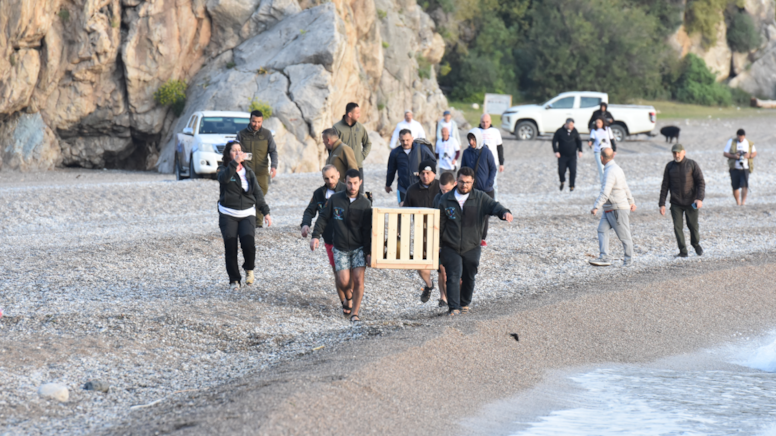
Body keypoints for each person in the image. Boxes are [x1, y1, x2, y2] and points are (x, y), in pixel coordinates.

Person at [437, 167, 513, 315]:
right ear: (456, 182)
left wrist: (504, 212)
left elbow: (494, 206)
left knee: (469, 276)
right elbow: (439, 224)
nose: (464, 185)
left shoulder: (480, 197)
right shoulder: (446, 199)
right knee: (453, 275)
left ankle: (464, 303)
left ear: (472, 182)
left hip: (472, 245)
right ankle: (453, 307)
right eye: (461, 182)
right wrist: (438, 245)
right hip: (450, 246)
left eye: (467, 182)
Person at [311, 169, 372, 323]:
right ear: (345, 181)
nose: (352, 186)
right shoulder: (335, 199)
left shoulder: (365, 203)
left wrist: (369, 252)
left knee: (358, 280)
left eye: (355, 183)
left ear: (360, 183)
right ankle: (349, 296)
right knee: (343, 281)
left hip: (358, 248)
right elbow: (323, 217)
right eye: (350, 183)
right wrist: (315, 236)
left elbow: (368, 230)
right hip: (340, 247)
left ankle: (355, 313)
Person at [217, 141, 272, 290]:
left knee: (248, 244)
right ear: (228, 154)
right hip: (228, 213)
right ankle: (234, 280)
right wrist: (234, 163)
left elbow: (257, 192)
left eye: (239, 150)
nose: (237, 153)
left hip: (247, 212)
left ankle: (249, 268)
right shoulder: (223, 169)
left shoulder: (248, 171)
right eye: (234, 151)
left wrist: (265, 212)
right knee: (231, 247)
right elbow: (224, 179)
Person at [301, 165, 351, 314]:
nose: (330, 181)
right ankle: (344, 302)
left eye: (332, 177)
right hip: (330, 239)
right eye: (326, 178)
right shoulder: (319, 194)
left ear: (338, 174)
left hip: (348, 238)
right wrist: (305, 224)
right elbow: (310, 211)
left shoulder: (348, 189)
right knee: (337, 272)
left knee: (349, 273)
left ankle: (350, 299)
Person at [589, 148, 636, 267]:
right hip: (609, 208)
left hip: (617, 208)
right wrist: (631, 201)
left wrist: (596, 206)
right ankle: (604, 258)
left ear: (601, 158)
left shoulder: (610, 172)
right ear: (613, 156)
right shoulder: (617, 169)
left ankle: (628, 261)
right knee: (601, 230)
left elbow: (605, 192)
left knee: (624, 236)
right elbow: (625, 187)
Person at [403, 160, 441, 303]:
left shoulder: (440, 187)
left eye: (428, 173)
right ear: (418, 174)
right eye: (422, 173)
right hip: (421, 233)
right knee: (420, 265)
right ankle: (429, 285)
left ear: (434, 174)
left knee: (442, 268)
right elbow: (405, 212)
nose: (425, 176)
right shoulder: (412, 190)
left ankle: (444, 299)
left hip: (441, 232)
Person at [659, 144, 705, 258]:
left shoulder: (692, 164)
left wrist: (699, 198)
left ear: (684, 152)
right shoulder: (669, 166)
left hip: (691, 202)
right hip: (676, 203)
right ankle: (683, 251)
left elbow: (701, 182)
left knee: (693, 226)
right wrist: (662, 204)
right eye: (674, 153)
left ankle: (695, 244)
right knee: (677, 227)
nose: (676, 155)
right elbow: (665, 186)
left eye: (678, 152)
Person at [236, 110, 278, 228]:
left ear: (262, 121)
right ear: (250, 120)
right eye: (254, 121)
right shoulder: (242, 134)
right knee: (246, 195)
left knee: (260, 195)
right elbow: (235, 151)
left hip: (262, 172)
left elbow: (273, 151)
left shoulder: (267, 134)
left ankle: (258, 223)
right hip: (246, 172)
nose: (256, 124)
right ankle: (247, 221)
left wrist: (274, 166)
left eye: (259, 122)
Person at [461, 128, 497, 246]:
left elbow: (493, 168)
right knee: (470, 213)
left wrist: (489, 182)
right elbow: (462, 170)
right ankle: (471, 236)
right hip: (471, 189)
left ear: (479, 139)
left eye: (473, 139)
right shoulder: (466, 153)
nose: (471, 142)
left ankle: (482, 238)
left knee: (484, 215)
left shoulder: (486, 152)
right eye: (470, 139)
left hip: (486, 190)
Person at [385, 129, 436, 204]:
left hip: (419, 186)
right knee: (403, 210)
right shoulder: (395, 153)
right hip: (402, 187)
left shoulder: (422, 149)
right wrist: (388, 184)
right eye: (402, 140)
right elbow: (391, 170)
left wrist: (423, 171)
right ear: (399, 140)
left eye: (407, 140)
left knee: (419, 211)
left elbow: (433, 162)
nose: (405, 143)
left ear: (412, 138)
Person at [333, 103, 371, 193]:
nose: (359, 115)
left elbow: (368, 143)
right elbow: (332, 148)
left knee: (359, 194)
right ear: (350, 114)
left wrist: (361, 157)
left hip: (357, 167)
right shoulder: (336, 128)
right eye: (357, 113)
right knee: (341, 194)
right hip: (342, 168)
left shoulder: (360, 128)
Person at [432, 171, 456, 308]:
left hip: (455, 240)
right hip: (440, 240)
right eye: (442, 190)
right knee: (442, 271)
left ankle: (455, 299)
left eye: (447, 190)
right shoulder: (438, 198)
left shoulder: (459, 197)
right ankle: (443, 298)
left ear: (454, 185)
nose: (444, 193)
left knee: (455, 273)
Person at [723, 128, 757, 206]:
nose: (740, 139)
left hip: (745, 167)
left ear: (744, 136)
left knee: (745, 185)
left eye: (742, 138)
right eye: (739, 137)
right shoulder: (731, 142)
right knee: (735, 186)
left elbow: (754, 152)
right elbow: (725, 153)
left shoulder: (749, 143)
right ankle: (738, 202)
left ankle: (743, 202)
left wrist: (749, 156)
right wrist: (734, 156)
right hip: (734, 167)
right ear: (737, 136)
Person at [478, 114, 504, 200]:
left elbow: (499, 148)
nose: (485, 124)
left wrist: (501, 163)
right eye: (483, 122)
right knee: (480, 184)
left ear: (490, 121)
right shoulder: (477, 132)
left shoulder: (495, 132)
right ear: (480, 122)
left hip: (493, 163)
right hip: (480, 164)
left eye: (487, 122)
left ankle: (494, 202)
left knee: (493, 184)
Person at [552, 118, 583, 191]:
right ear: (566, 124)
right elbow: (554, 141)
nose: (572, 126)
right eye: (571, 125)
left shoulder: (574, 131)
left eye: (573, 125)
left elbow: (579, 141)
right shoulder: (559, 131)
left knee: (573, 171)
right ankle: (562, 181)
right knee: (561, 171)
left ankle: (572, 185)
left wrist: (580, 150)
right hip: (562, 156)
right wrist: (556, 151)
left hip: (572, 156)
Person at [588, 117, 617, 182]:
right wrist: (590, 142)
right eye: (596, 123)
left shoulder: (607, 129)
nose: (598, 124)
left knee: (610, 167)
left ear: (603, 123)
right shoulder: (594, 130)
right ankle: (603, 183)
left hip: (607, 151)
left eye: (599, 123)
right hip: (598, 152)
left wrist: (614, 150)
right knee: (601, 168)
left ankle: (611, 181)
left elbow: (612, 139)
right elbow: (592, 139)